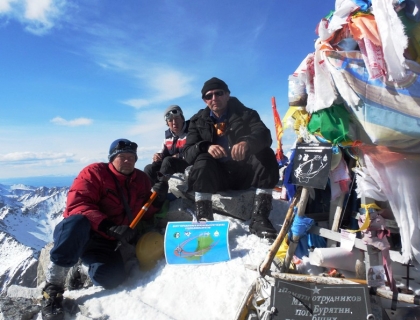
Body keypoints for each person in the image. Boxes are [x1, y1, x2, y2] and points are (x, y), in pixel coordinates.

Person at [41, 139, 168, 320]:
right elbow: (77, 205)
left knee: (112, 278)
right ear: (111, 158)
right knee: (77, 222)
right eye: (122, 157)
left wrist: (160, 199)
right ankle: (52, 289)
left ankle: (81, 269)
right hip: (85, 233)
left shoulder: (140, 180)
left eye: (131, 157)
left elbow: (145, 213)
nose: (127, 161)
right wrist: (109, 227)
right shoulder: (94, 173)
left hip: (107, 242)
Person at [183, 77, 279, 239]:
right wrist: (205, 146)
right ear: (204, 101)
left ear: (227, 94)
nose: (214, 98)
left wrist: (247, 143)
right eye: (209, 96)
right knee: (202, 160)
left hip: (244, 174)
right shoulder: (197, 121)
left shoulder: (247, 114)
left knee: (265, 153)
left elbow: (264, 135)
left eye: (219, 93)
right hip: (217, 178)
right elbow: (187, 153)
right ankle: (204, 219)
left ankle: (260, 217)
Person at [144, 105, 190, 185]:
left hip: (188, 165)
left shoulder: (191, 132)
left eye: (177, 118)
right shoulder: (168, 137)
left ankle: (159, 190)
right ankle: (146, 192)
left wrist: (178, 156)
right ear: (167, 123)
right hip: (171, 166)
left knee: (168, 161)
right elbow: (162, 153)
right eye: (171, 120)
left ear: (182, 119)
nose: (174, 122)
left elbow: (194, 151)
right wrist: (157, 156)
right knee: (149, 168)